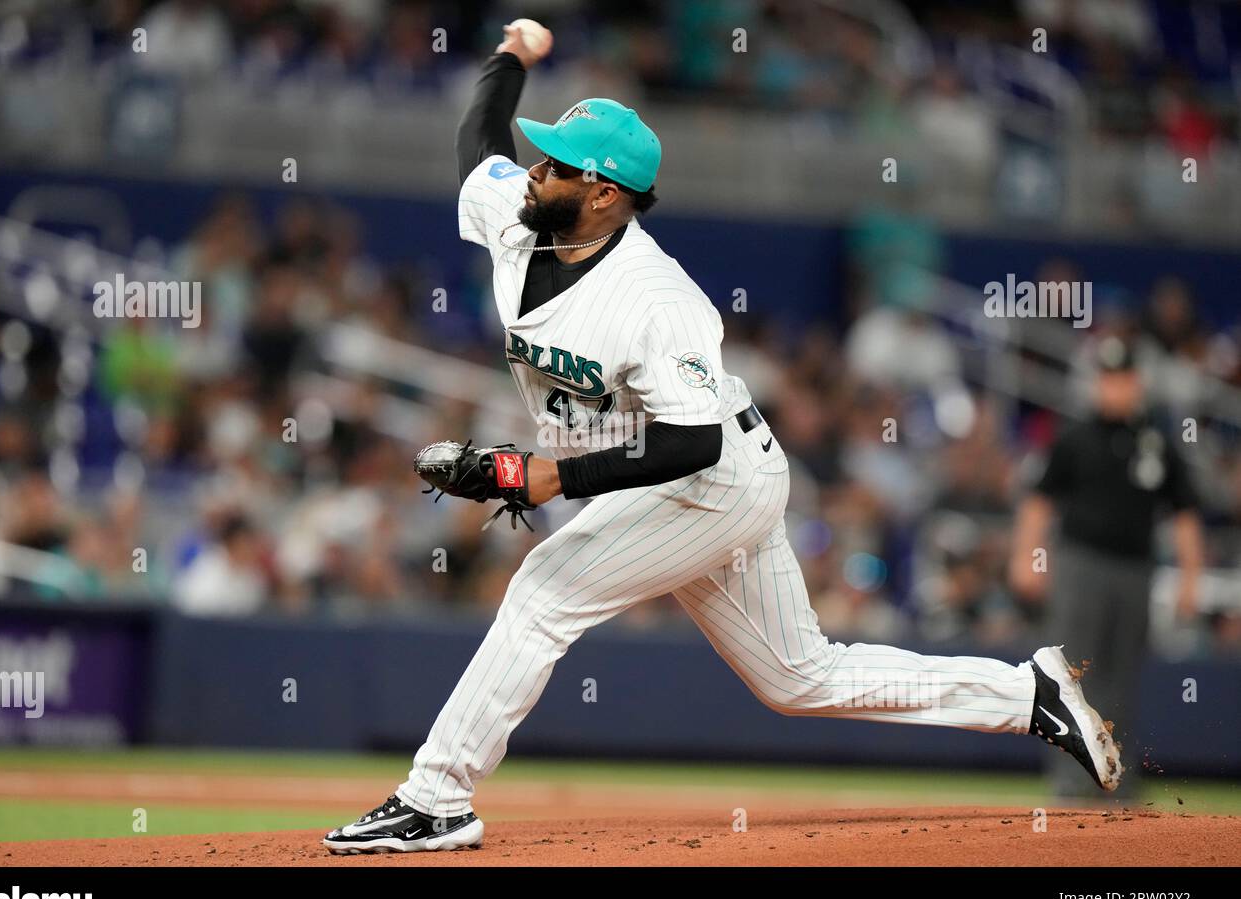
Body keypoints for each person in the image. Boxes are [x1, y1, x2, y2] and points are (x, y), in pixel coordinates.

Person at [323, 23, 1123, 854]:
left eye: (558, 162)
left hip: (714, 476)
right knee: (798, 677)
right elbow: (477, 139)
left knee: (544, 590)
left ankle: (438, 796)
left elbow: (691, 444)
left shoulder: (655, 299)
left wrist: (547, 478)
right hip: (667, 472)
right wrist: (513, 58)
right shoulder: (519, 214)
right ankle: (1029, 693)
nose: (536, 168)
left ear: (604, 193)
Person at [1011, 334, 1203, 801]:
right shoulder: (1075, 437)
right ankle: (1070, 781)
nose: (1115, 388)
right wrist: (1026, 558)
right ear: (1098, 383)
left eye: (1124, 378)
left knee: (1123, 674)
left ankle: (1118, 782)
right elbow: (1039, 501)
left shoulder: (1157, 443)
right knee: (1072, 672)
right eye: (1108, 378)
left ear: (1137, 382)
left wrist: (1192, 576)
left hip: (1137, 570)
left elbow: (1183, 512)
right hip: (1081, 565)